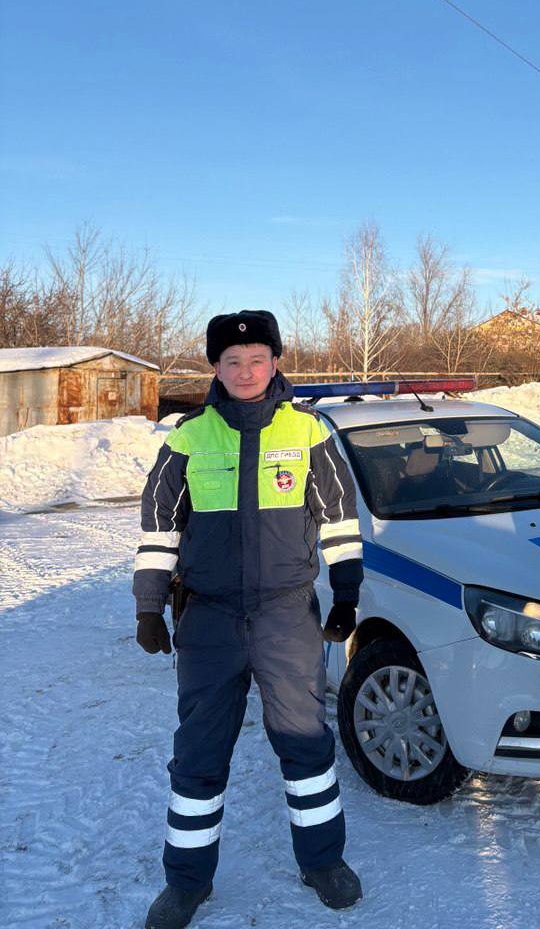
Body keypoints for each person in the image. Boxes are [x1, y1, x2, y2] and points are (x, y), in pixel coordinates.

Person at [133, 310, 364, 929]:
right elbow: (159, 532)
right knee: (199, 752)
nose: (244, 370)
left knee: (306, 742)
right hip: (208, 618)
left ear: (276, 362)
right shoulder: (186, 439)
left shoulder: (310, 434)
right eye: (231, 361)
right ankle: (186, 882)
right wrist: (149, 607)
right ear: (215, 367)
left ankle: (323, 862)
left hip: (286, 614)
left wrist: (347, 592)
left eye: (256, 359)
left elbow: (340, 520)